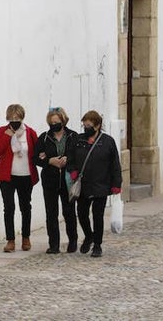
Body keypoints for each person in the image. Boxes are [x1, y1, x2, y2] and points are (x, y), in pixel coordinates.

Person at [67, 110, 122, 258]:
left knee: (98, 216)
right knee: (82, 214)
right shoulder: (78, 140)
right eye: (84, 125)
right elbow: (70, 158)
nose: (86, 128)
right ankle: (88, 235)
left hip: (101, 184)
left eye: (89, 125)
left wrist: (116, 184)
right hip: (83, 185)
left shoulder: (108, 142)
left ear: (97, 125)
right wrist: (72, 171)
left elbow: (115, 164)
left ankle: (97, 244)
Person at [0, 104, 39, 252]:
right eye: (11, 118)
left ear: (22, 117)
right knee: (9, 208)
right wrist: (7, 135)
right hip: (7, 176)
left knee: (25, 207)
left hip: (25, 175)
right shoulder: (3, 131)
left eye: (17, 118)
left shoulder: (30, 133)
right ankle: (10, 240)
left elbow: (37, 152)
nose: (14, 121)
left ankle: (26, 238)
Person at [34, 107, 78, 253]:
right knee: (51, 213)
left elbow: (78, 155)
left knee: (69, 211)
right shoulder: (44, 137)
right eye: (52, 122)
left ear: (63, 121)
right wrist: (49, 161)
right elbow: (36, 158)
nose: (54, 125)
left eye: (57, 122)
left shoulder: (73, 136)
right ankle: (54, 244)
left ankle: (73, 241)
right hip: (50, 179)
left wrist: (68, 159)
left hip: (67, 180)